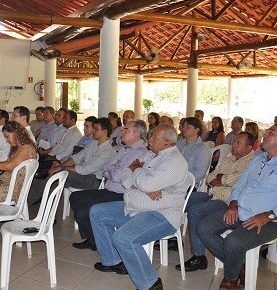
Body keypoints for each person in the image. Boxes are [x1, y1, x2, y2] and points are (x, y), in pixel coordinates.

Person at [197, 124, 277, 290]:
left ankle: (231, 279)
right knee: (203, 227)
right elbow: (239, 185)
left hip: (267, 221)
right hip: (239, 211)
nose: (265, 133)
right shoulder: (258, 160)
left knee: (233, 242)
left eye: (271, 132)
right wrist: (233, 204)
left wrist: (267, 216)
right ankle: (238, 265)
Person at [89, 124, 190, 290]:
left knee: (123, 238)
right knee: (97, 212)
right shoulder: (151, 155)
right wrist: (142, 183)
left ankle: (150, 284)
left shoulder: (174, 161)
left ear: (167, 142)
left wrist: (139, 175)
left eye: (154, 137)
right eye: (150, 136)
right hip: (136, 205)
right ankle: (114, 260)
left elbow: (142, 179)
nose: (149, 139)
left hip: (161, 214)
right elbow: (125, 176)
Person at [175, 132, 255, 272]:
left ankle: (199, 257)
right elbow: (211, 176)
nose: (233, 145)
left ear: (249, 148)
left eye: (238, 143)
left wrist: (221, 179)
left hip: (226, 201)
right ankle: (171, 237)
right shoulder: (230, 159)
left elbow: (234, 180)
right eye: (234, 142)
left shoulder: (251, 162)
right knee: (182, 198)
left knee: (195, 211)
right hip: (212, 194)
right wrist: (221, 179)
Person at [70, 120, 148, 250]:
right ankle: (93, 238)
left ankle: (99, 242)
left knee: (85, 211)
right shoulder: (125, 148)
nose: (121, 132)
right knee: (75, 197)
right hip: (109, 190)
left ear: (136, 134)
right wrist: (114, 170)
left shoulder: (139, 152)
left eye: (126, 130)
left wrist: (113, 170)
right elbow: (106, 168)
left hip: (121, 195)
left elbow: (117, 176)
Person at [27, 117, 115, 206]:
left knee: (58, 174)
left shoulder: (108, 151)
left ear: (105, 131)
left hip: (92, 181)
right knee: (55, 181)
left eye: (96, 129)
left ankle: (25, 203)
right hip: (81, 176)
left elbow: (86, 169)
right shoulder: (93, 143)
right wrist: (59, 166)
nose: (93, 131)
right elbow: (76, 157)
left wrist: (62, 167)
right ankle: (48, 212)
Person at [176, 117, 211, 188]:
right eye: (183, 126)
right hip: (172, 180)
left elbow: (199, 174)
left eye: (188, 126)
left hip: (188, 185)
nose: (183, 128)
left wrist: (178, 179)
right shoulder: (178, 144)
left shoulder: (202, 150)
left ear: (197, 130)